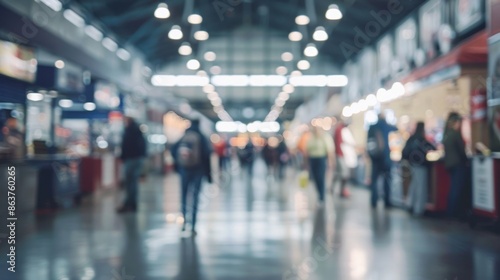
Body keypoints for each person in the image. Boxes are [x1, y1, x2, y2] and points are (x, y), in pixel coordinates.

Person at [172, 118, 212, 235]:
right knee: (195, 196)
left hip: (184, 170)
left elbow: (174, 150)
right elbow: (206, 156)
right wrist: (209, 175)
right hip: (198, 170)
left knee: (184, 195)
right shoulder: (201, 137)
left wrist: (178, 167)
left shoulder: (184, 136)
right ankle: (193, 225)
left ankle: (184, 223)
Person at [402, 122, 436, 216]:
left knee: (413, 185)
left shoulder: (412, 138)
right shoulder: (422, 139)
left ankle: (410, 205)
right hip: (421, 165)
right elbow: (433, 147)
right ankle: (418, 209)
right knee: (421, 187)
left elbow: (404, 151)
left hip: (412, 164)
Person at [367, 113, 397, 209]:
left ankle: (374, 201)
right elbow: (396, 129)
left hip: (375, 158)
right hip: (385, 158)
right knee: (387, 181)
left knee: (374, 180)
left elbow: (368, 142)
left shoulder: (372, 126)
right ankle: (387, 201)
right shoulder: (386, 126)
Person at [117, 117, 146, 213]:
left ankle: (129, 203)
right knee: (133, 182)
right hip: (137, 159)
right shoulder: (138, 131)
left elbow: (125, 146)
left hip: (131, 159)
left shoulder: (129, 131)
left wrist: (123, 157)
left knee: (130, 182)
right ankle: (132, 204)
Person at [442, 112, 468, 218]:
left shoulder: (446, 134)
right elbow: (462, 151)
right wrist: (466, 160)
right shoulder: (455, 134)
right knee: (457, 189)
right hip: (458, 164)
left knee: (453, 188)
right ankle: (453, 213)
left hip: (449, 164)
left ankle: (450, 211)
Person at [305, 126, 334, 205]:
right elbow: (307, 150)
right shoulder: (311, 138)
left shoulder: (325, 137)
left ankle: (322, 196)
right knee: (315, 178)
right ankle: (319, 193)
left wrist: (330, 161)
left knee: (320, 177)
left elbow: (329, 150)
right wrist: (306, 162)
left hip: (321, 159)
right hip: (313, 159)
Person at [332, 119, 357, 198]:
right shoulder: (340, 130)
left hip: (341, 154)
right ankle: (342, 190)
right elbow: (339, 143)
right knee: (344, 173)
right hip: (341, 154)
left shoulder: (342, 130)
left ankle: (336, 189)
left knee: (339, 172)